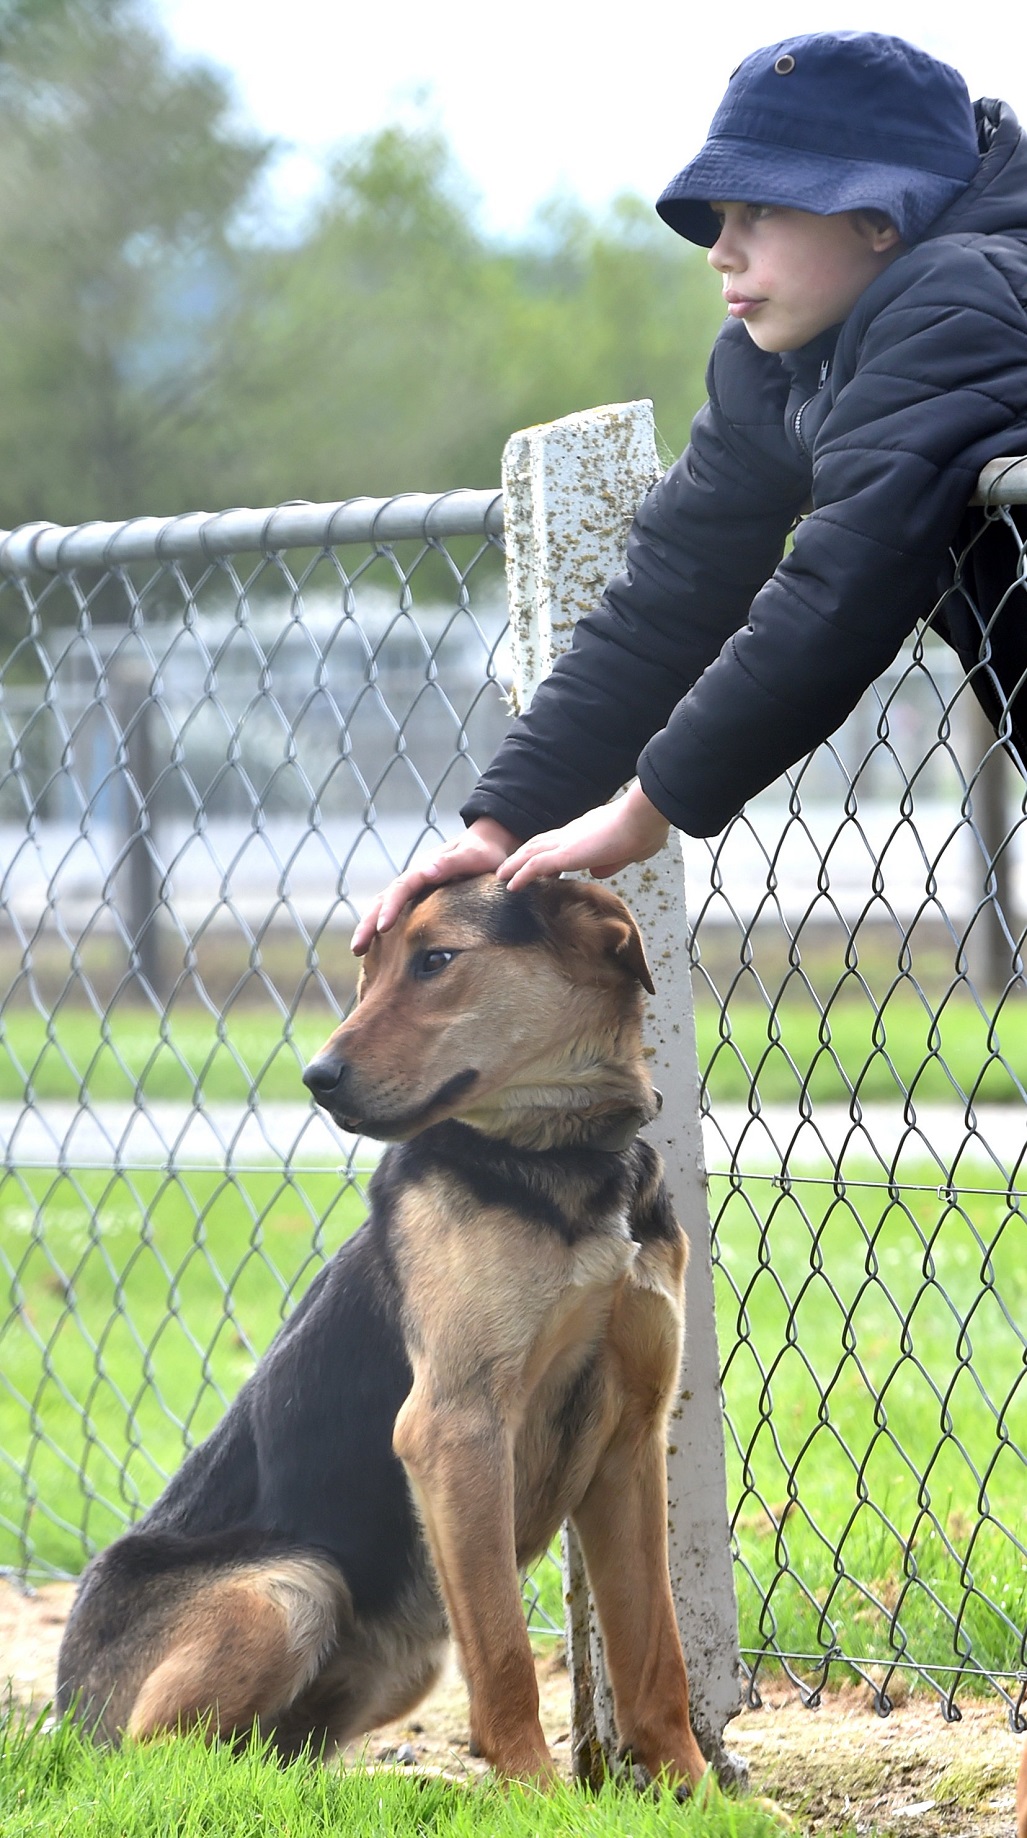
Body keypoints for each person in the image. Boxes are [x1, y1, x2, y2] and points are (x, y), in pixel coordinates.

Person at [353, 29, 1027, 954]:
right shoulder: (779, 363)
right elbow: (669, 599)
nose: (720, 250)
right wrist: (498, 826)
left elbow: (845, 582)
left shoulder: (968, 297)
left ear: (880, 216)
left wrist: (651, 802)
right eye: (718, 216)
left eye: (760, 211)